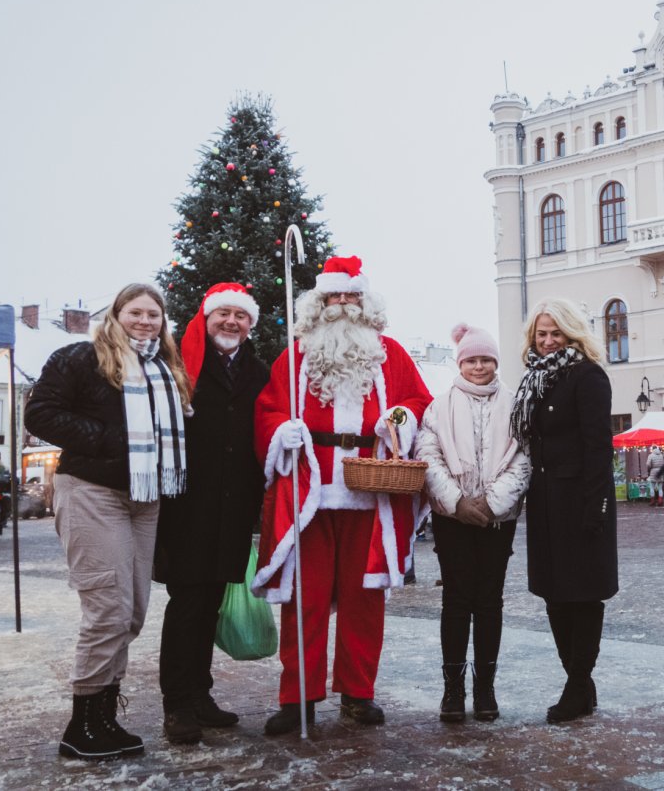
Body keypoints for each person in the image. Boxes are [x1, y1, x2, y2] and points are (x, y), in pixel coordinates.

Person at [252, 256, 433, 736]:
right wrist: (280, 433)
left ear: (365, 301)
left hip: (368, 491)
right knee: (303, 599)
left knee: (364, 598)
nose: (343, 305)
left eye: (351, 296)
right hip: (310, 491)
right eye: (335, 296)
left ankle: (358, 692)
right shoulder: (294, 358)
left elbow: (417, 401)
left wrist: (397, 420)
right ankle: (299, 697)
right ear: (319, 302)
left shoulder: (390, 353)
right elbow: (268, 408)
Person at [25, 283, 191, 760]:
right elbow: (41, 413)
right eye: (135, 312)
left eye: (153, 315)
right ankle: (82, 726)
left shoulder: (164, 368)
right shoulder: (81, 358)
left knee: (133, 610)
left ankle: (105, 717)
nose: (145, 321)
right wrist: (108, 439)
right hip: (93, 492)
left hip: (145, 497)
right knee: (107, 609)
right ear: (117, 315)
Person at [153, 283, 271, 744]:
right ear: (206, 318)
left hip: (234, 505)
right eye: (223, 314)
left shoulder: (257, 371)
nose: (231, 322)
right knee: (187, 604)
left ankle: (200, 695)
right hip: (188, 506)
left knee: (210, 604)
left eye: (240, 316)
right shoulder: (179, 366)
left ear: (250, 325)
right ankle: (178, 704)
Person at [510, 298, 617, 724]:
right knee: (554, 594)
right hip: (545, 501)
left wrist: (597, 507)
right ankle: (580, 683)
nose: (549, 341)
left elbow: (598, 447)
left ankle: (576, 686)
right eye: (542, 333)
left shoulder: (587, 376)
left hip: (581, 501)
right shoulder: (535, 381)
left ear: (573, 334)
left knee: (583, 595)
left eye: (556, 333)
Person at [416, 323, 529, 723]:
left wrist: (492, 503)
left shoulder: (515, 404)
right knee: (456, 601)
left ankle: (485, 688)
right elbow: (428, 456)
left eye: (485, 359)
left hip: (499, 520)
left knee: (489, 601)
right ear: (460, 363)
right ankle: (453, 689)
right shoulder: (439, 406)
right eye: (471, 360)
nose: (479, 366)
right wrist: (458, 502)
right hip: (453, 519)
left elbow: (522, 458)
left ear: (495, 362)